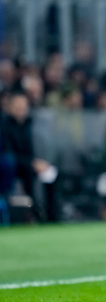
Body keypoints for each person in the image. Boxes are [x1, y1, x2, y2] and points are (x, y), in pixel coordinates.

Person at [1, 93, 59, 222]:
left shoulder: (32, 125)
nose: (21, 109)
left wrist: (41, 162)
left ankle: (51, 215)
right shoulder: (4, 126)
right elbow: (9, 154)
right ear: (10, 107)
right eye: (17, 106)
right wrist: (32, 163)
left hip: (32, 163)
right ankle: (33, 213)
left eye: (23, 106)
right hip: (14, 166)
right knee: (28, 175)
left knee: (51, 173)